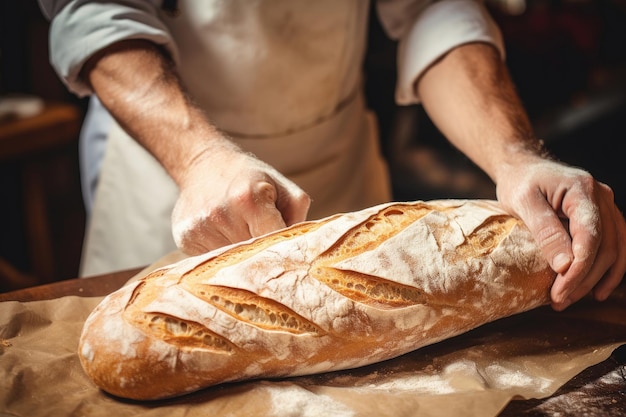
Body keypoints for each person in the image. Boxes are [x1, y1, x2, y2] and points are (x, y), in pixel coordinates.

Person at [39, 0, 625, 311]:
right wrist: (198, 159)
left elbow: (433, 8)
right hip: (168, 163)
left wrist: (514, 156)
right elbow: (92, 11)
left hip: (337, 167)